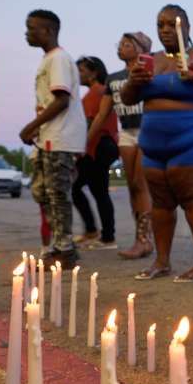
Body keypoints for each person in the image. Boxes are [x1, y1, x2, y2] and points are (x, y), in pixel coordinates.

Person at [119, 5, 193, 282]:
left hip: (190, 140)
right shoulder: (149, 60)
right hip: (153, 143)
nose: (166, 30)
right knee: (160, 204)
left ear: (187, 27)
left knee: (192, 200)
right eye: (161, 25)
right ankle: (161, 261)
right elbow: (129, 99)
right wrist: (133, 81)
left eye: (172, 24)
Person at [20, 10, 86, 269]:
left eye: (31, 28)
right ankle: (52, 248)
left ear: (48, 31)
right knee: (43, 193)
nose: (27, 33)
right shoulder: (49, 59)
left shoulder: (58, 58)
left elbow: (61, 99)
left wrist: (31, 125)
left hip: (60, 137)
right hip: (48, 136)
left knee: (57, 194)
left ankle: (65, 250)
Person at [89, 32, 155, 259]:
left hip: (147, 129)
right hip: (126, 133)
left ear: (141, 48)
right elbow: (102, 114)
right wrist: (86, 141)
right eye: (120, 44)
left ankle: (144, 240)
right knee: (133, 186)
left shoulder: (148, 71)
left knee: (141, 183)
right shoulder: (113, 78)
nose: (121, 47)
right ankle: (142, 237)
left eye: (128, 44)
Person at [72, 56, 120, 251]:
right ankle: (99, 233)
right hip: (101, 145)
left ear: (94, 72)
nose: (78, 75)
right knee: (96, 191)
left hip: (98, 145)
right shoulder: (96, 92)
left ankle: (104, 236)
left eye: (81, 71)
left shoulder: (97, 92)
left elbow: (91, 123)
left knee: (80, 188)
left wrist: (79, 148)